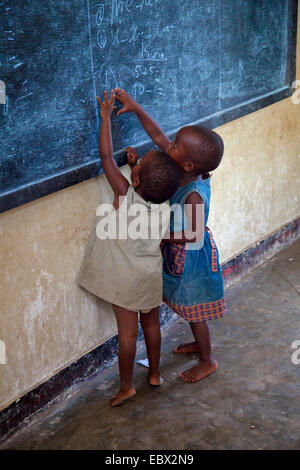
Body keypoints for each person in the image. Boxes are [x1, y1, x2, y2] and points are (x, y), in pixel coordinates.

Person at [114, 88, 226, 383]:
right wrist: (136, 108)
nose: (168, 145)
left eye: (174, 146)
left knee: (193, 310)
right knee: (187, 307)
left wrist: (162, 235)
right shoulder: (181, 166)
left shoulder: (194, 194)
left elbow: (192, 233)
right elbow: (158, 135)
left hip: (190, 258)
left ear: (188, 165)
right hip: (179, 254)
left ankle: (207, 358)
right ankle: (200, 344)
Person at [78, 91, 181, 406]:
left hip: (124, 280)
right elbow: (151, 178)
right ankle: (154, 374)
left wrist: (106, 118)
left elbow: (108, 158)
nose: (136, 160)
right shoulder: (166, 200)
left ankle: (126, 386)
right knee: (151, 325)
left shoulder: (123, 194)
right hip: (150, 277)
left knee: (127, 334)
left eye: (138, 165)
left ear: (135, 182)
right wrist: (139, 166)